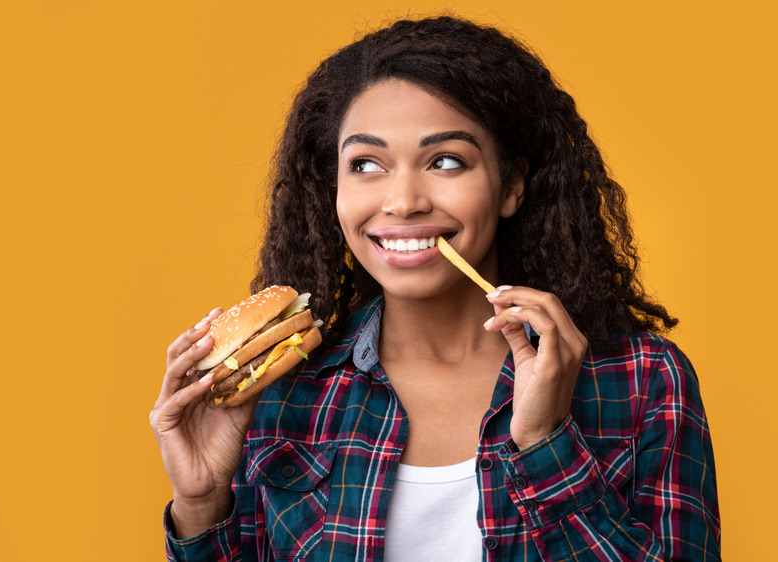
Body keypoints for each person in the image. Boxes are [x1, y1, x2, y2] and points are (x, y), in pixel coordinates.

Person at [149, 16, 720, 561]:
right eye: (367, 165)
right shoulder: (283, 391)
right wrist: (201, 505)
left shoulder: (645, 379)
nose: (402, 201)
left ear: (512, 185)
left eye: (445, 161)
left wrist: (547, 444)